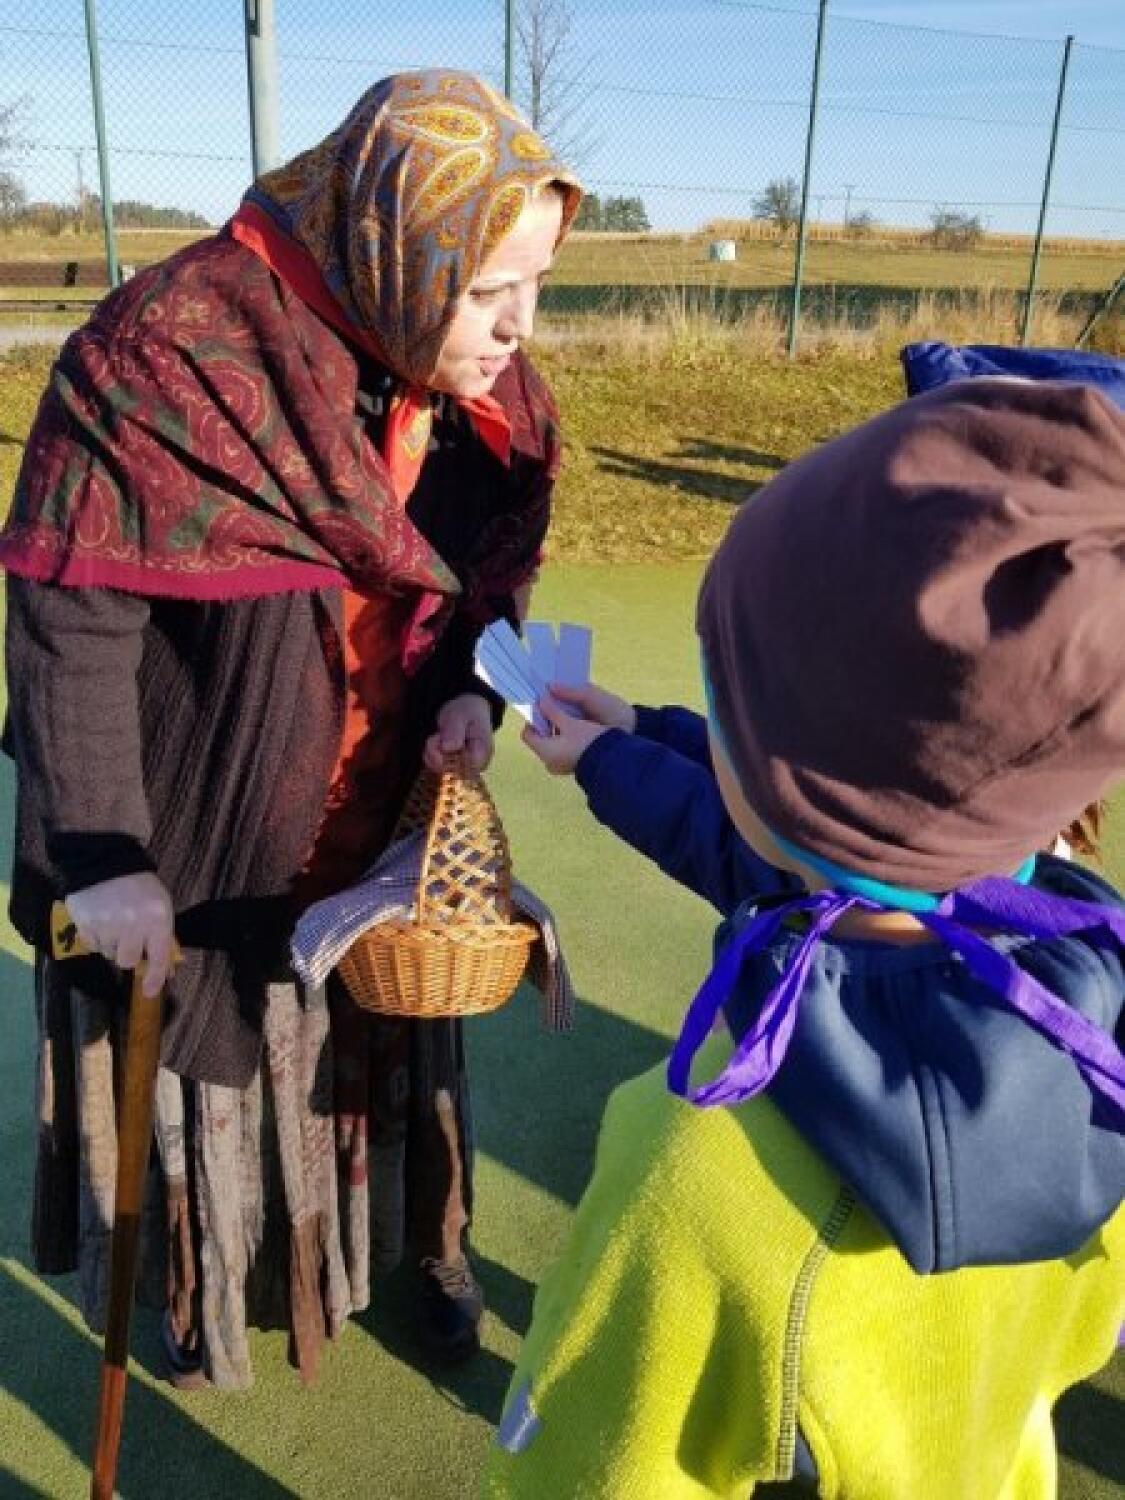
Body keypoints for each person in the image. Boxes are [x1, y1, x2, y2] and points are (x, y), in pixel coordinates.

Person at [1, 69, 580, 1388]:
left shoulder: (491, 405)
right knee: (208, 1061)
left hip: (380, 825)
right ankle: (204, 1286)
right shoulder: (167, 355)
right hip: (197, 829)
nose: (518, 327)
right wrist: (101, 853)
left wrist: (467, 698)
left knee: (393, 1039)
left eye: (539, 284)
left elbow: (484, 581)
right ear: (394, 247)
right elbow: (68, 607)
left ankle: (421, 1244)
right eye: (488, 289)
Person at [483, 377, 1125, 1497]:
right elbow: (799, 843)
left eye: (725, 699)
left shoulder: (687, 1164)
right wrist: (634, 739)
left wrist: (622, 752)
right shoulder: (1091, 1003)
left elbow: (593, 1475)